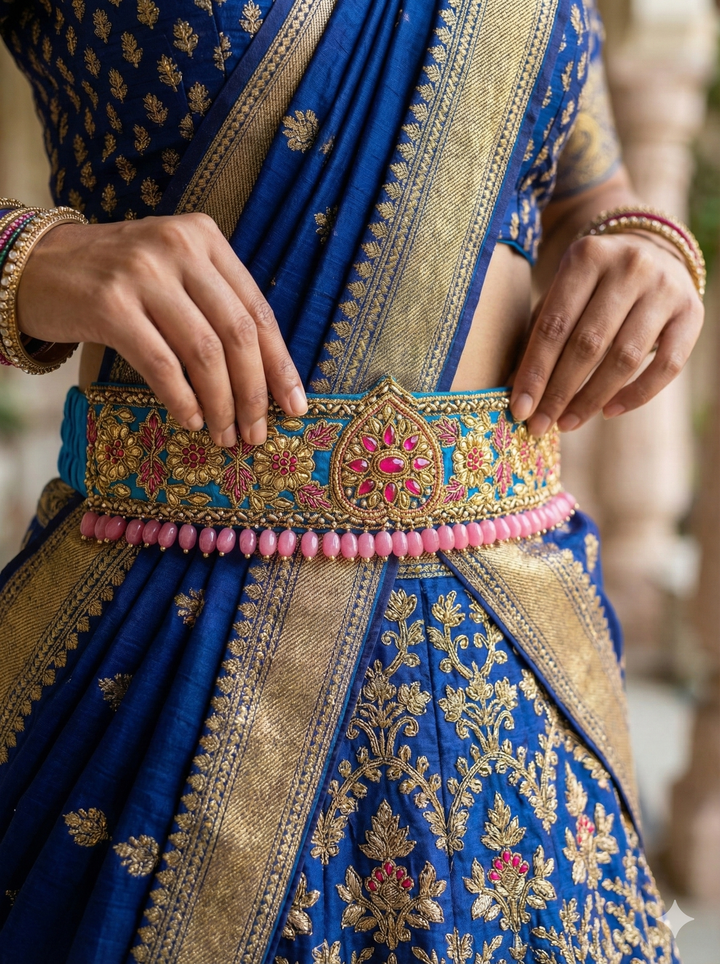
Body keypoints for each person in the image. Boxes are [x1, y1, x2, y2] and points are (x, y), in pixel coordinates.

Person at [0, 0, 704, 961]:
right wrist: (35, 257)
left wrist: (650, 253)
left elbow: (587, 191)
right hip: (159, 644)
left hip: (518, 656)